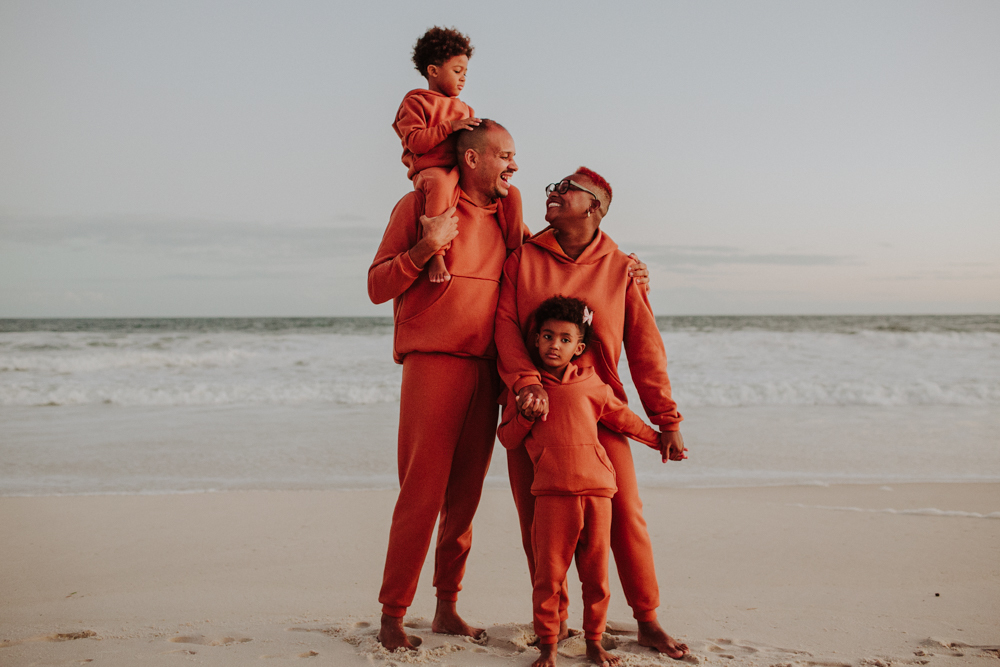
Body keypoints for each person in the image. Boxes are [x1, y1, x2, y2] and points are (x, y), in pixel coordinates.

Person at [495, 167, 690, 658]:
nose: (555, 194)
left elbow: (645, 347)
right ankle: (555, 626)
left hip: (600, 410)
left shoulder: (621, 266)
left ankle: (646, 618)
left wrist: (666, 420)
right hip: (533, 410)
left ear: (595, 207)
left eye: (567, 190)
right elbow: (505, 330)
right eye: (553, 189)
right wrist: (527, 387)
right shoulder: (522, 259)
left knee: (627, 518)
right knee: (539, 523)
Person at [368, 119, 527, 650]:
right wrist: (423, 249)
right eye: (505, 154)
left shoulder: (507, 216)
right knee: (422, 495)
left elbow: (550, 266)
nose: (515, 164)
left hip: (487, 368)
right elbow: (375, 283)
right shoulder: (419, 205)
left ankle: (446, 608)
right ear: (474, 159)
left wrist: (627, 268)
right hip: (433, 362)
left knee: (465, 499)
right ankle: (393, 616)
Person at [498, 296, 663, 667]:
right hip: (552, 495)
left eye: (564, 339)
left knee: (596, 576)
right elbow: (507, 438)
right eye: (547, 336)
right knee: (549, 575)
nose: (554, 345)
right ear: (535, 340)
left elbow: (625, 420)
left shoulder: (593, 385)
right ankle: (549, 645)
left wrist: (660, 438)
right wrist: (525, 415)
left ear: (579, 347)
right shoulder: (525, 392)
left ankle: (594, 641)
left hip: (599, 493)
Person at [393, 26, 505, 284]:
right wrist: (448, 127)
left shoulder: (465, 108)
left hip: (462, 171)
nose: (463, 78)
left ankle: (522, 242)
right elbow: (415, 141)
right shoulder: (416, 102)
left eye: (465, 72)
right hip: (432, 171)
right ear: (433, 71)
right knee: (441, 184)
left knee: (506, 193)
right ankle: (436, 253)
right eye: (457, 71)